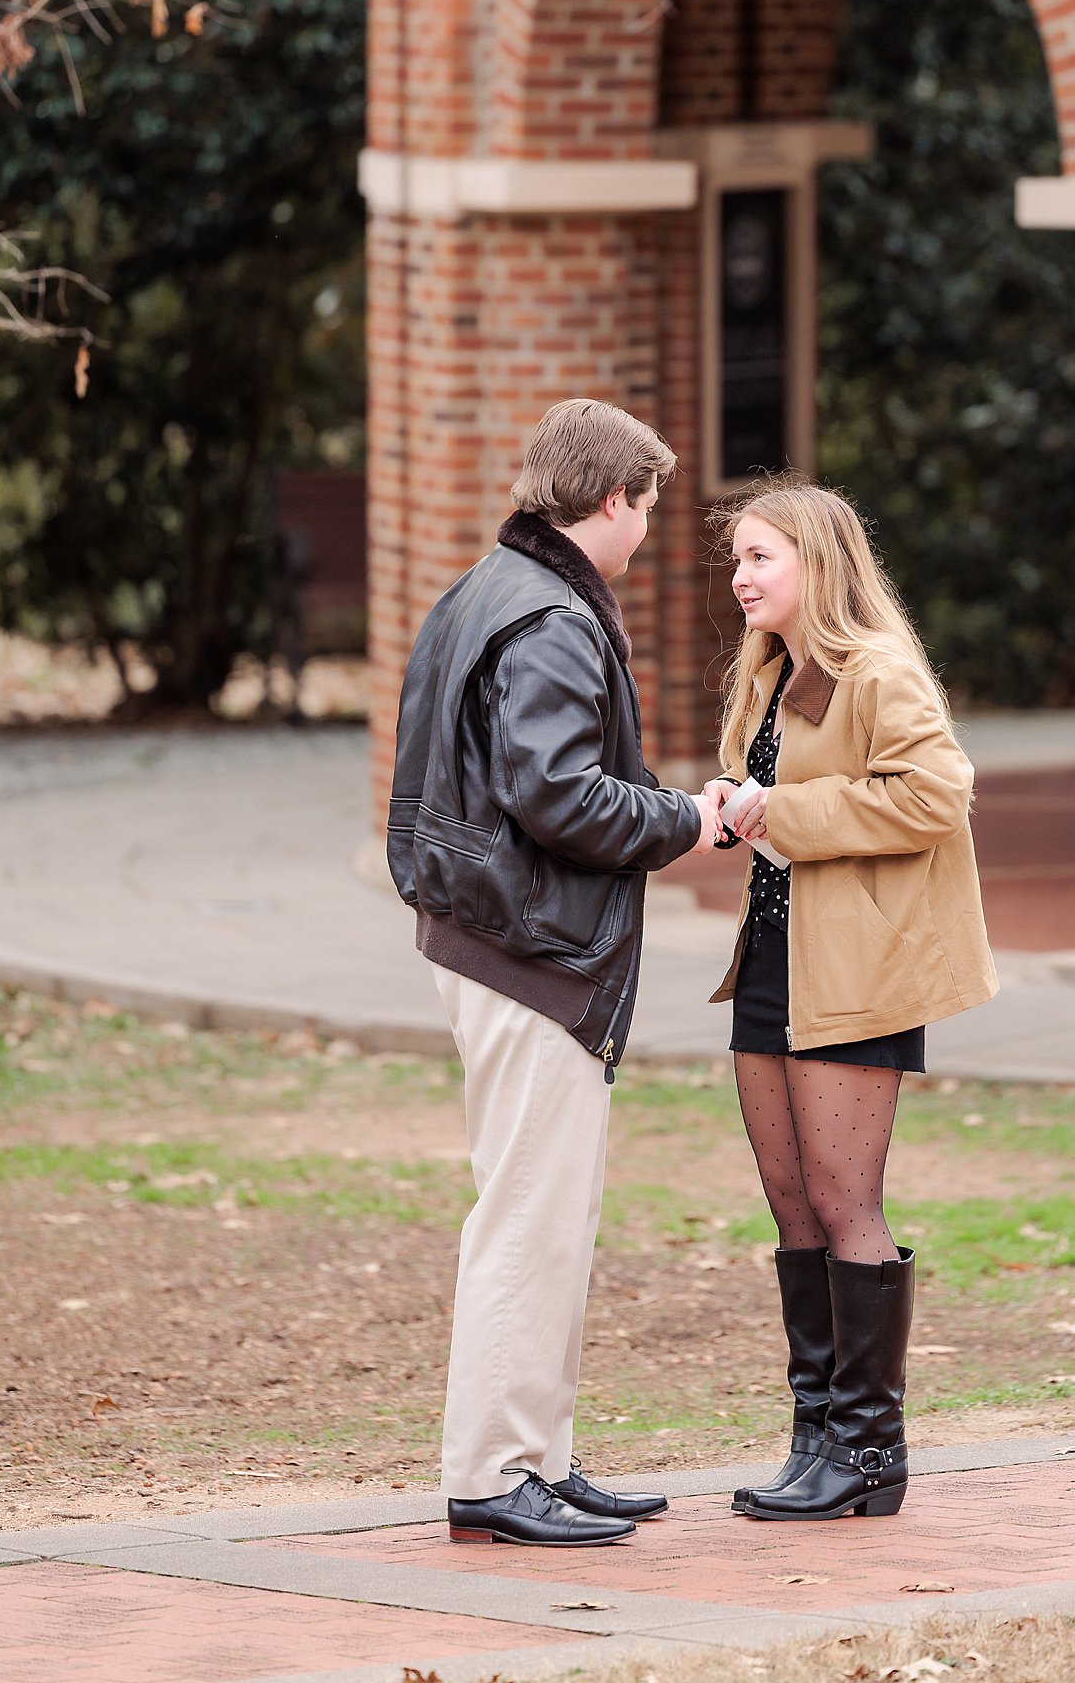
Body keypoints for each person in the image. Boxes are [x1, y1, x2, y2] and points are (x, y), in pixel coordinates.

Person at [387, 399, 720, 1548]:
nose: (651, 530)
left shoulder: (488, 587)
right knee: (531, 1215)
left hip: (484, 935)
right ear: (614, 499)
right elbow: (557, 794)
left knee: (544, 1212)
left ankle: (539, 1457)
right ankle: (494, 1471)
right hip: (529, 952)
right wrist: (685, 818)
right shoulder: (554, 619)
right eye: (650, 506)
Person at [703, 478, 998, 1524]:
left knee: (844, 1206)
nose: (740, 577)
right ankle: (817, 1437)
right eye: (737, 559)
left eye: (759, 558)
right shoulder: (771, 676)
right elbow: (783, 807)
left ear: (816, 565)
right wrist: (735, 810)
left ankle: (871, 1454)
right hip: (774, 960)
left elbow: (934, 792)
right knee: (792, 1209)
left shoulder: (878, 671)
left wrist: (785, 808)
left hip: (857, 974)